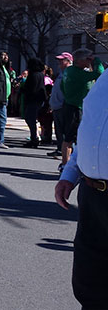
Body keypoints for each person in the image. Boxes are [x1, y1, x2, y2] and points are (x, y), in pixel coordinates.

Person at [54, 67, 108, 309]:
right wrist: (70, 174)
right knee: (90, 279)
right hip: (91, 193)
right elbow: (89, 130)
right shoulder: (104, 78)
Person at [60, 48, 104, 167]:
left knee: (70, 136)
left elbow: (61, 87)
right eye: (88, 58)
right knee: (72, 137)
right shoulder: (78, 73)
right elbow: (100, 74)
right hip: (76, 107)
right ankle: (66, 164)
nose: (90, 60)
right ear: (81, 60)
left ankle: (66, 163)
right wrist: (97, 61)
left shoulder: (69, 71)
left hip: (70, 104)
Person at [48, 52, 72, 159]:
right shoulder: (61, 73)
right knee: (58, 130)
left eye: (62, 61)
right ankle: (60, 149)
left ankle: (64, 151)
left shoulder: (69, 73)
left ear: (69, 61)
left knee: (63, 131)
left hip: (63, 106)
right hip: (56, 106)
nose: (59, 63)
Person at [20, 57, 47, 148]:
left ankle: (34, 138)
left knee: (30, 119)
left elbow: (31, 88)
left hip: (32, 99)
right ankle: (34, 137)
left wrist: (23, 90)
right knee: (32, 119)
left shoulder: (33, 75)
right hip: (38, 99)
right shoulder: (40, 74)